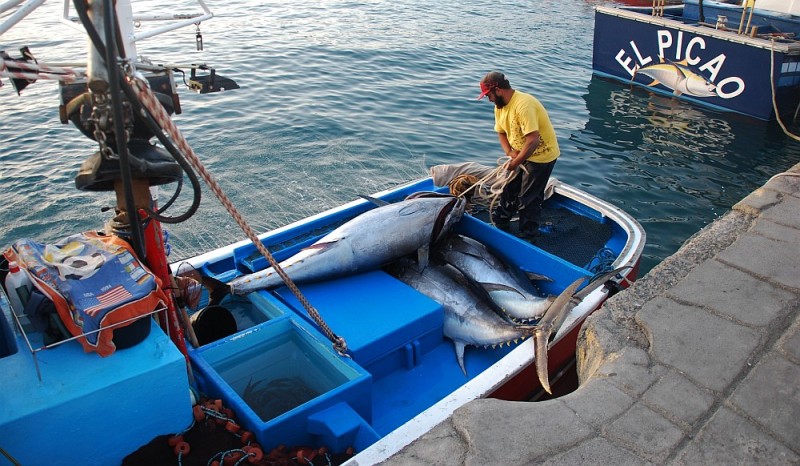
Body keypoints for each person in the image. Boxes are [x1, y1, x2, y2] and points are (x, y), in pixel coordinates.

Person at [477, 71, 560, 239]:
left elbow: (533, 140)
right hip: (519, 154)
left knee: (529, 198)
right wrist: (509, 152)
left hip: (541, 156)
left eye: (488, 95)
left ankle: (528, 235)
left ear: (498, 90)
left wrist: (515, 163)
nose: (489, 99)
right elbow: (501, 132)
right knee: (509, 189)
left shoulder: (524, 105)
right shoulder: (499, 106)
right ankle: (500, 221)